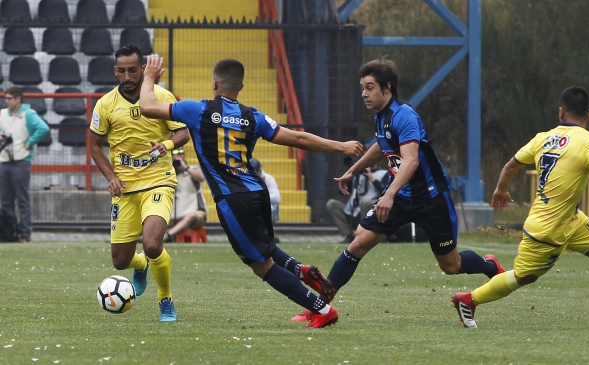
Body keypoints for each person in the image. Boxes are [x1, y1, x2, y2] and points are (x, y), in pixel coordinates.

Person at [140, 55, 363, 328]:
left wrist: (150, 76)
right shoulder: (253, 116)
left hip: (232, 201)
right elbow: (299, 138)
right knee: (265, 249)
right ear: (241, 86)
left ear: (214, 83)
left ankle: (321, 309)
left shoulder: (197, 110)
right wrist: (340, 146)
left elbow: (147, 106)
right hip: (257, 192)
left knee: (261, 266)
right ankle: (301, 270)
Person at [291, 58, 506, 324]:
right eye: (362, 88)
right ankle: (319, 307)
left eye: (369, 87)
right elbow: (381, 147)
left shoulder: (404, 115)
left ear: (387, 87)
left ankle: (490, 266)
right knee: (357, 244)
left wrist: (389, 194)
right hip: (402, 198)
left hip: (430, 199)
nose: (364, 94)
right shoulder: (381, 116)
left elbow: (412, 160)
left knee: (451, 266)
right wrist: (353, 170)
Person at [452, 86, 589, 329]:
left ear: (560, 112)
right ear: (588, 114)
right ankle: (468, 300)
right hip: (549, 228)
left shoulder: (542, 138)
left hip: (570, 219)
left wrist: (501, 190)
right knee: (524, 276)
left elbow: (510, 166)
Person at [89, 44, 190, 322]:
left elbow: (183, 133)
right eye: (122, 71)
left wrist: (166, 145)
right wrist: (111, 177)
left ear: (143, 69)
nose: (128, 76)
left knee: (152, 243)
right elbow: (95, 146)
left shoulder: (160, 96)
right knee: (120, 261)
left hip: (158, 180)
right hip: (125, 187)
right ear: (115, 71)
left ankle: (165, 298)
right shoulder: (105, 104)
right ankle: (141, 264)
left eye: (133, 70)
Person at [0, 86, 50, 243]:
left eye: (9, 98)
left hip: (21, 162)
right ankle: (9, 233)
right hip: (4, 160)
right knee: (6, 201)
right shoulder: (2, 114)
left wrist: (29, 143)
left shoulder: (28, 114)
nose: (5, 101)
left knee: (22, 200)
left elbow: (43, 128)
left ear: (18, 99)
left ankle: (24, 233)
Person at [326, 138, 389, 243]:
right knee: (332, 204)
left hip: (371, 213)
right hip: (353, 212)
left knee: (366, 202)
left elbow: (385, 192)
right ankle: (349, 235)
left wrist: (371, 178)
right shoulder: (357, 174)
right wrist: (351, 176)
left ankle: (366, 235)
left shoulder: (383, 174)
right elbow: (343, 193)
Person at [164, 147, 207, 242]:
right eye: (176, 154)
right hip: (174, 217)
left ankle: (168, 236)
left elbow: (202, 178)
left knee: (191, 215)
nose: (179, 156)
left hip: (196, 214)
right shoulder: (168, 174)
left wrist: (185, 167)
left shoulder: (191, 170)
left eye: (181, 153)